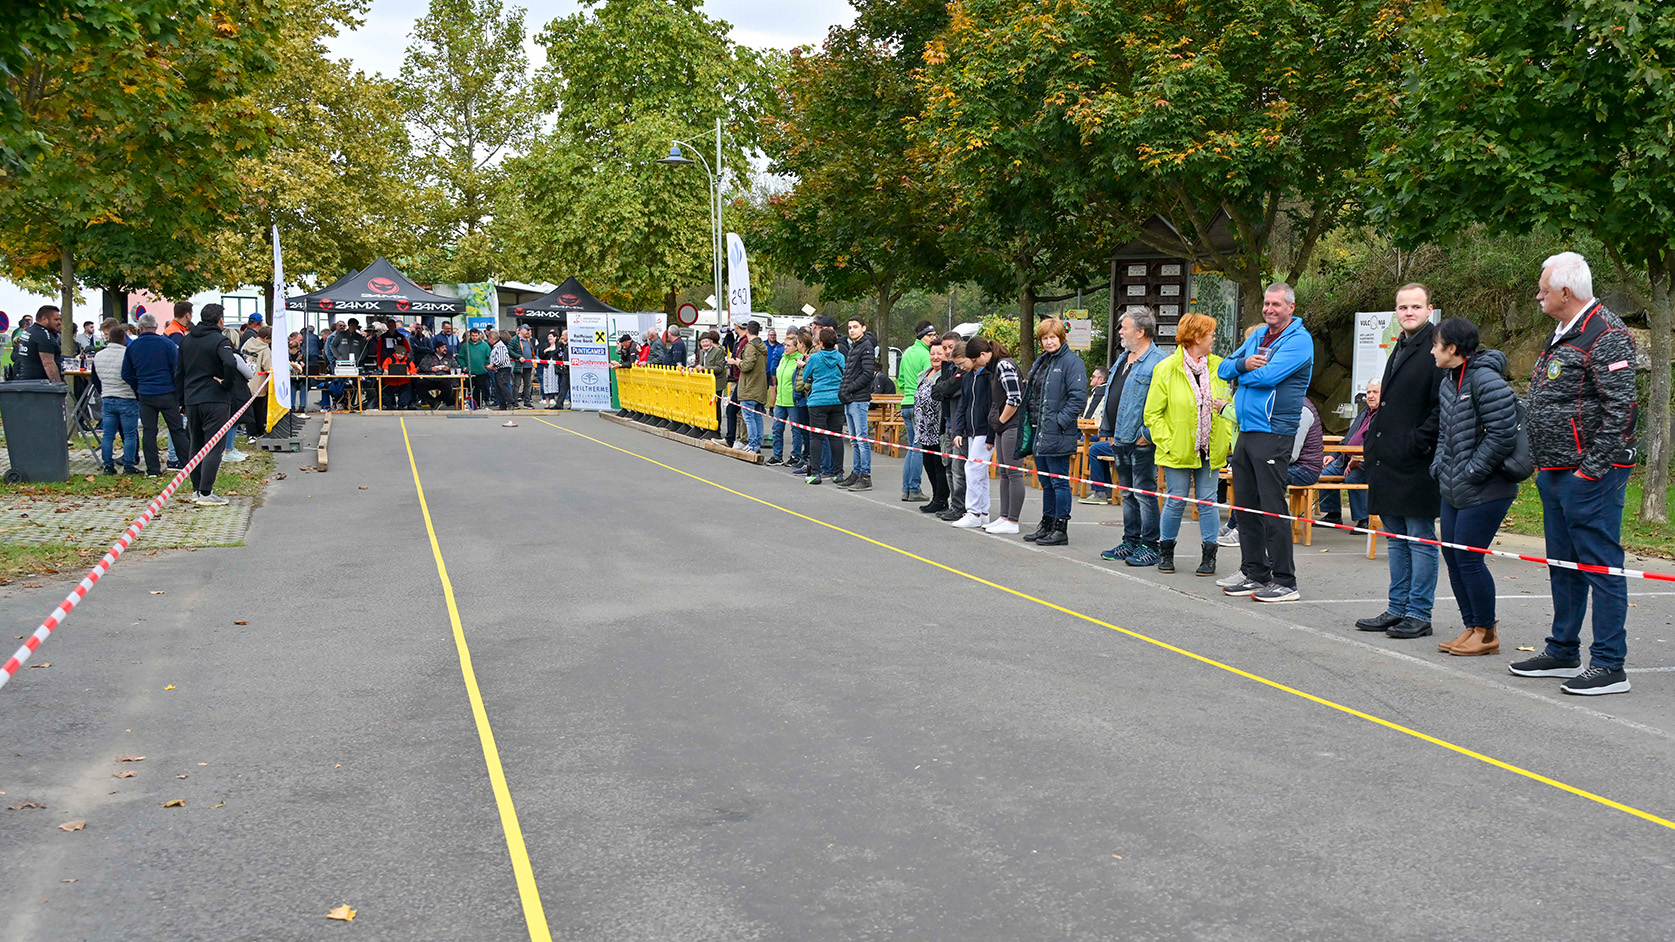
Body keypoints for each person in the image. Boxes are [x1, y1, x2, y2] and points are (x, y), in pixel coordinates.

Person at [1511, 251, 1640, 695]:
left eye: (1544, 290)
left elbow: (1621, 409)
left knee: (1600, 566)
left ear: (1566, 292)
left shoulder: (1607, 333)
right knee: (1563, 565)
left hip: (1589, 474)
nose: (1538, 296)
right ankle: (1562, 648)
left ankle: (1609, 664)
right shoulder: (1565, 330)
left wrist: (1592, 470)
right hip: (1554, 469)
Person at [1355, 283, 1444, 639]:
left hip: (1415, 461)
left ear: (1429, 309)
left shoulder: (1436, 345)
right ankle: (1398, 607)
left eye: (1415, 307)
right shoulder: (1402, 344)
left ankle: (1419, 612)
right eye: (1403, 307)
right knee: (1395, 537)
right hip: (1388, 459)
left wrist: (1416, 442)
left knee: (1420, 537)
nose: (1409, 312)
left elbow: (1441, 405)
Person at [1217, 283, 1315, 602]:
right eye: (1266, 303)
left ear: (1291, 307)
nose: (1269, 309)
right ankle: (1254, 572)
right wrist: (1244, 365)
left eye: (1276, 304)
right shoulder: (1257, 336)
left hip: (1274, 431)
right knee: (1245, 506)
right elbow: (1222, 368)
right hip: (1247, 429)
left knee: (1272, 507)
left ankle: (1285, 580)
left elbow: (1269, 377)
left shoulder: (1299, 340)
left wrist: (1241, 374)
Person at [1427, 318, 1520, 658]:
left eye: (1436, 345)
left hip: (1486, 488)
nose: (1432, 351)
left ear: (1452, 348)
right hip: (1453, 486)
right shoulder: (1448, 381)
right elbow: (1445, 432)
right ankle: (1472, 626)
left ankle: (1487, 632)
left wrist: (1472, 471)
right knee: (1452, 555)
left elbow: (1502, 434)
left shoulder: (1486, 380)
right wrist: (1439, 466)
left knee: (1468, 558)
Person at [1143, 312, 1232, 575]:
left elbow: (1228, 402)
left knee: (1207, 501)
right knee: (1176, 499)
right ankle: (1166, 551)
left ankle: (1209, 556)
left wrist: (1225, 436)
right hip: (1177, 447)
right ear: (1196, 336)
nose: (1214, 338)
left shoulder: (1218, 366)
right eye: (1210, 333)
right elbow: (1152, 414)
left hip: (1210, 446)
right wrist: (1167, 441)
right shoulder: (1167, 368)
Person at [1092, 310, 1166, 568]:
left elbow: (1164, 404)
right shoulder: (1123, 358)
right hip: (1120, 439)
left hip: (1140, 441)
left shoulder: (1159, 362)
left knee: (1144, 494)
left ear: (1141, 331)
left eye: (1124, 328)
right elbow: (1113, 394)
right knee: (1127, 494)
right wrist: (1109, 431)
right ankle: (1131, 541)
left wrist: (1146, 435)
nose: (1120, 332)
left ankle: (1150, 545)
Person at [1021, 318, 1088, 544]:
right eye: (1045, 338)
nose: (1049, 342)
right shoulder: (1042, 362)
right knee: (1046, 481)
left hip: (1057, 432)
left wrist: (1059, 422)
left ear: (1061, 337)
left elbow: (1078, 399)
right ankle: (1047, 523)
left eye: (1052, 337)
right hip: (1038, 430)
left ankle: (1061, 528)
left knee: (1059, 481)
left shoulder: (1072, 362)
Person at [175, 304, 249, 505]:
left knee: (196, 445)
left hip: (192, 399)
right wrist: (226, 384)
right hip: (215, 399)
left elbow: (179, 372)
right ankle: (206, 493)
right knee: (214, 446)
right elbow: (230, 363)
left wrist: (181, 400)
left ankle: (196, 489)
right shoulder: (220, 340)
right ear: (220, 320)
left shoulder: (187, 340)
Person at [122, 313, 188, 476]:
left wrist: (138, 386)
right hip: (167, 393)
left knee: (149, 432)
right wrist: (176, 390)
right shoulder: (167, 344)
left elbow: (126, 373)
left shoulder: (133, 347)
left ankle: (153, 469)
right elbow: (177, 370)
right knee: (177, 430)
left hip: (145, 394)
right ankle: (187, 465)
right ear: (156, 327)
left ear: (140, 328)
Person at [949, 336, 997, 528]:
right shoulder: (969, 378)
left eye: (962, 363)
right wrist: (958, 430)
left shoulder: (988, 376)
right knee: (980, 471)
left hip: (985, 430)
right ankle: (983, 511)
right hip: (971, 430)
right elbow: (963, 405)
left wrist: (992, 435)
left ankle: (974, 512)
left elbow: (993, 407)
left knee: (973, 468)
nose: (961, 367)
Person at [1318, 381, 1379, 528]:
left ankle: (1363, 520)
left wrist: (1357, 459)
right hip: (1345, 459)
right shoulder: (1364, 412)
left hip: (1368, 463)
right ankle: (1333, 514)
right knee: (1323, 474)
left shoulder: (1385, 415)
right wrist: (1333, 454)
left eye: (1375, 392)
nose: (1370, 396)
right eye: (1368, 392)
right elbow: (1348, 438)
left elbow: (1377, 444)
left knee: (1353, 477)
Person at [896, 322, 937, 502]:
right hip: (918, 404)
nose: (934, 338)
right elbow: (931, 380)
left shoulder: (906, 353)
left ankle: (907, 488)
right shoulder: (926, 355)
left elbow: (901, 381)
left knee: (913, 447)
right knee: (918, 448)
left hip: (906, 403)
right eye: (931, 335)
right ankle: (913, 488)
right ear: (922, 336)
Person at [93, 321, 140, 474]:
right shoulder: (128, 354)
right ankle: (129, 465)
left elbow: (95, 378)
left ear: (109, 339)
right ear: (124, 338)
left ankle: (108, 466)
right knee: (130, 435)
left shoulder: (99, 356)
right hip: (127, 397)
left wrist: (103, 390)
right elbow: (133, 376)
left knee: (108, 435)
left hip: (107, 397)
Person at [802, 327, 847, 486]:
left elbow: (806, 376)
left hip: (818, 401)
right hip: (836, 400)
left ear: (820, 343)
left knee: (816, 437)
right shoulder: (840, 357)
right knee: (836, 436)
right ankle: (838, 473)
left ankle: (815, 473)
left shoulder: (814, 358)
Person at [932, 332, 969, 521]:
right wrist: (946, 389)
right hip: (946, 423)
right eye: (944, 348)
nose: (947, 352)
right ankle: (953, 504)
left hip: (958, 425)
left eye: (950, 347)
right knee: (947, 466)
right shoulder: (948, 367)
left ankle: (960, 506)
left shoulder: (963, 369)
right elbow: (937, 390)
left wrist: (946, 389)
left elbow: (951, 389)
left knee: (958, 468)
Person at [837, 317, 877, 491]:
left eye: (855, 327)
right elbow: (849, 372)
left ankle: (865, 475)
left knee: (861, 439)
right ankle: (856, 471)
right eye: (850, 327)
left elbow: (868, 373)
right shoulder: (855, 347)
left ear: (863, 328)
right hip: (850, 398)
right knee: (854, 440)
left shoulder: (866, 346)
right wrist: (843, 391)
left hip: (858, 399)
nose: (852, 330)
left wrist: (850, 389)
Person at [913, 339, 952, 514]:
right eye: (932, 353)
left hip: (939, 427)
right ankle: (936, 496)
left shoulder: (946, 375)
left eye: (939, 353)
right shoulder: (924, 373)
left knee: (939, 465)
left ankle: (941, 499)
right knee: (928, 464)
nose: (935, 357)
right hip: (924, 428)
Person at [730, 321, 769, 454]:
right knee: (757, 416)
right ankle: (756, 444)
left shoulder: (751, 347)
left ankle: (752, 445)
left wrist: (737, 362)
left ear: (747, 331)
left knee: (749, 417)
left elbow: (747, 366)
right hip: (759, 386)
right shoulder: (762, 345)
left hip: (749, 387)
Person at [768, 330, 806, 467]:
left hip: (792, 400)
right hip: (780, 399)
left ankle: (796, 455)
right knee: (777, 428)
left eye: (789, 345)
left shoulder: (799, 359)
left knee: (796, 430)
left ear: (796, 347)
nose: (786, 348)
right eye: (785, 345)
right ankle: (777, 455)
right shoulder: (783, 358)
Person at [11, 304, 61, 382]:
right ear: (45, 319)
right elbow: (48, 364)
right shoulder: (43, 335)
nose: (59, 322)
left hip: (26, 380)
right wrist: (58, 385)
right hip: (40, 384)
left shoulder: (29, 330)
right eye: (56, 319)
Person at [240, 325, 273, 439]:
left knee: (248, 410)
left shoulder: (248, 343)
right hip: (259, 384)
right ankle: (258, 432)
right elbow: (268, 367)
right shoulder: (265, 349)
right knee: (259, 411)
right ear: (266, 338)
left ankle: (250, 433)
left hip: (245, 381)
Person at [699, 331, 727, 434]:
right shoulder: (702, 352)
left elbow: (719, 368)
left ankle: (716, 429)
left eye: (706, 341)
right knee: (706, 406)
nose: (705, 344)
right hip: (706, 384)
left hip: (717, 384)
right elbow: (701, 364)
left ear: (711, 342)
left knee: (715, 406)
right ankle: (706, 427)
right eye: (702, 342)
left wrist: (704, 368)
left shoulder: (718, 352)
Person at [461, 327, 491, 408]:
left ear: (479, 335)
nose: (474, 337)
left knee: (480, 389)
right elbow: (460, 357)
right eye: (473, 335)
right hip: (469, 372)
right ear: (470, 336)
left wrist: (486, 366)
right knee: (467, 389)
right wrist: (463, 366)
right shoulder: (465, 346)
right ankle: (467, 404)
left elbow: (489, 357)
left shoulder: (485, 346)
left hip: (481, 371)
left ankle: (479, 404)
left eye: (476, 335)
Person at [487, 328, 514, 412]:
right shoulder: (496, 346)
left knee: (503, 386)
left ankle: (511, 402)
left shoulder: (500, 346)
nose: (488, 340)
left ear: (492, 338)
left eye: (489, 338)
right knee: (498, 388)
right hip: (498, 369)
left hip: (502, 369)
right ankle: (503, 405)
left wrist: (493, 365)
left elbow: (501, 359)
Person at [381, 344, 415, 410]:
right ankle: (390, 405)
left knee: (407, 391)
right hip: (390, 383)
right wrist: (386, 370)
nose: (400, 355)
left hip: (404, 382)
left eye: (402, 354)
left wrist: (410, 373)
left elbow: (414, 369)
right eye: (398, 353)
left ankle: (402, 405)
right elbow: (385, 367)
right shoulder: (390, 359)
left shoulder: (408, 361)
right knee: (386, 394)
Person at [511, 325, 535, 407]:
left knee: (528, 384)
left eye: (529, 330)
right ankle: (514, 401)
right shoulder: (515, 339)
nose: (528, 332)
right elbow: (509, 350)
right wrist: (518, 356)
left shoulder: (528, 340)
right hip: (519, 365)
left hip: (528, 366)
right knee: (517, 384)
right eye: (526, 330)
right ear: (521, 330)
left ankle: (527, 401)